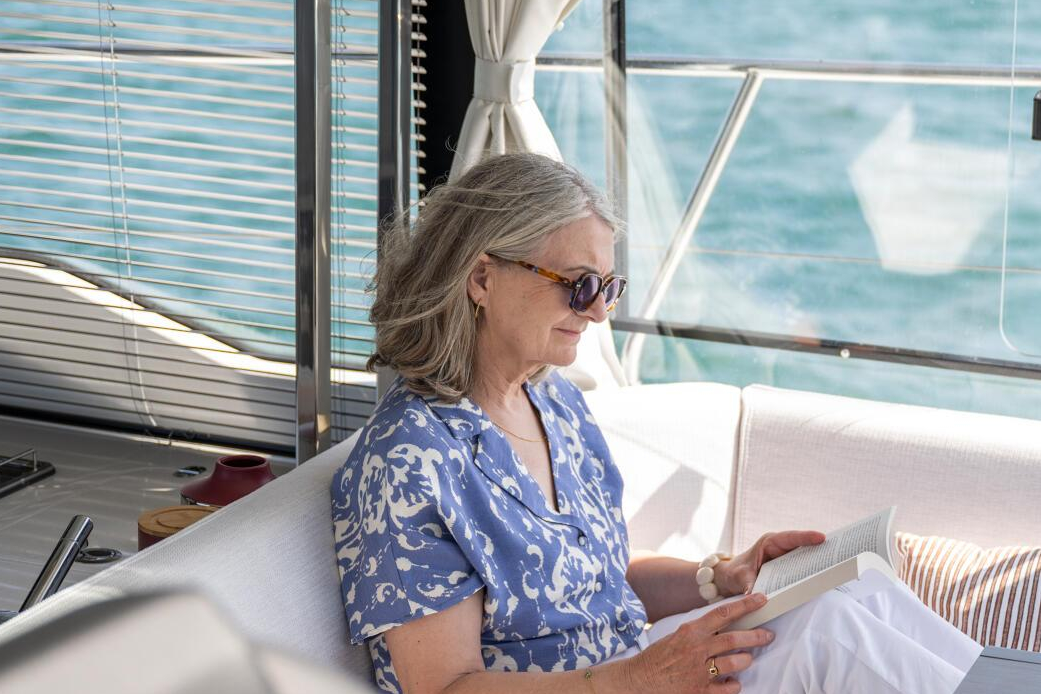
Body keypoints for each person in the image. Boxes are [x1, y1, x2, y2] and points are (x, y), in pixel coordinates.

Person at [332, 152, 983, 694]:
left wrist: (718, 579)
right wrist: (638, 680)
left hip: (633, 670)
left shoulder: (554, 403)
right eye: (579, 285)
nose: (598, 313)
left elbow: (604, 575)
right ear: (482, 278)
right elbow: (443, 686)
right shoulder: (409, 461)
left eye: (608, 288)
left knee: (857, 595)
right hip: (617, 685)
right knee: (830, 635)